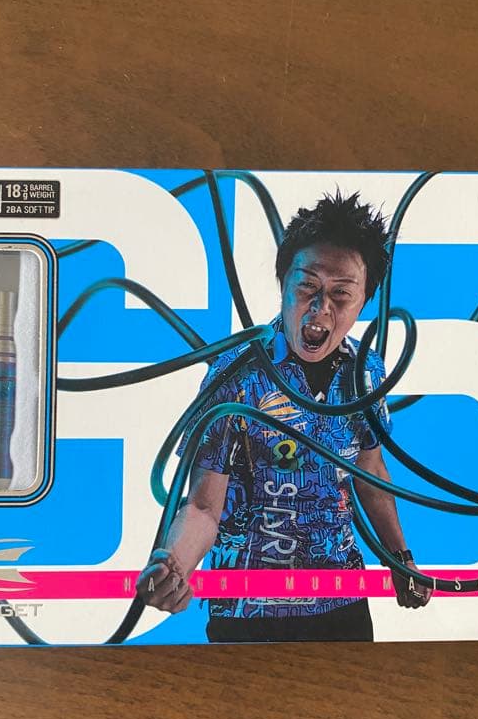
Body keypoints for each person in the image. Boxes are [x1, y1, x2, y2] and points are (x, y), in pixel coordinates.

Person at [136, 191, 432, 642]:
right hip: (247, 610)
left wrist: (400, 557)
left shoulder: (366, 371)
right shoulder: (234, 376)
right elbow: (202, 506)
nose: (321, 307)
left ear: (363, 301)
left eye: (341, 294)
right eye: (307, 286)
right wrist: (175, 567)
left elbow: (370, 471)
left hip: (342, 601)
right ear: (283, 282)